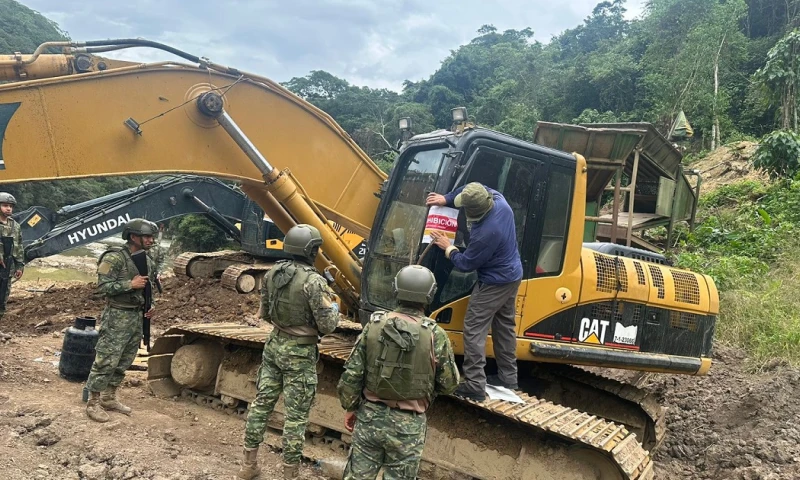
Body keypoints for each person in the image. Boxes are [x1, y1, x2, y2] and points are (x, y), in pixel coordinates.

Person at [337, 265, 459, 479]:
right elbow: (449, 384)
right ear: (430, 294)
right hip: (409, 426)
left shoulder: (374, 325)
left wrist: (351, 407)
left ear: (396, 290)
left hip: (370, 417)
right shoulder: (436, 335)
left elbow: (352, 374)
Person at [238, 224, 340, 480]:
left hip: (275, 344)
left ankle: (248, 466)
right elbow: (328, 325)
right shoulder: (314, 281)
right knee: (295, 417)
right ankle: (289, 474)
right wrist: (334, 306)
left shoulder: (273, 273)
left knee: (261, 405)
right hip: (300, 352)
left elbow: (265, 313)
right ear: (311, 251)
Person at [426, 182, 523, 402]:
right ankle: (508, 378)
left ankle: (475, 384)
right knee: (504, 326)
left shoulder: (485, 232)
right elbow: (469, 189)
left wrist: (448, 247)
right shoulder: (499, 200)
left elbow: (466, 264)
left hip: (494, 282)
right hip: (513, 275)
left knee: (474, 328)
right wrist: (447, 198)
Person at [85, 218, 159, 423]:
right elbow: (102, 288)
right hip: (117, 315)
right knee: (106, 359)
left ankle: (109, 397)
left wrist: (150, 305)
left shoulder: (147, 260)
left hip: (136, 317)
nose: (151, 240)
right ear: (133, 236)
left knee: (125, 359)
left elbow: (149, 288)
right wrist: (129, 284)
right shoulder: (114, 258)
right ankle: (93, 402)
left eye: (152, 237)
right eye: (146, 236)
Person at [0, 192, 23, 322]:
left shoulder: (15, 226)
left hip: (7, 268)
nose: (8, 208)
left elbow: (18, 246)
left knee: (2, 299)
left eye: (10, 206)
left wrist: (19, 266)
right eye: (5, 205)